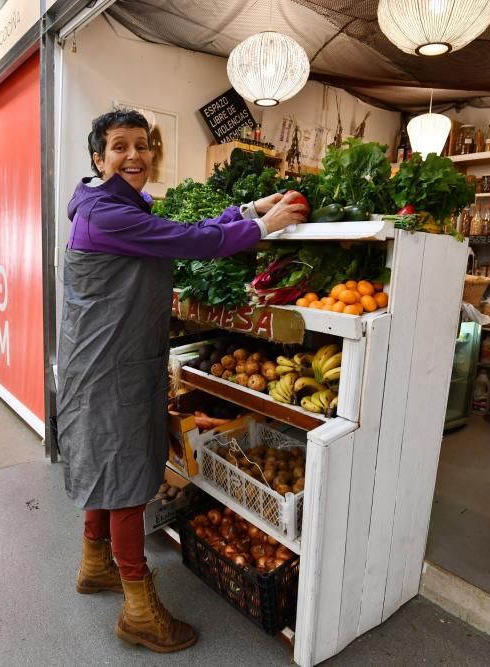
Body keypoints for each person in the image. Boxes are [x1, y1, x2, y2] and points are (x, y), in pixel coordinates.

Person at [57, 109, 307, 654]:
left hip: (111, 361)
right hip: (108, 371)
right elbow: (189, 242)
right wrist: (263, 227)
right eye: (118, 147)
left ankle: (95, 566)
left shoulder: (122, 206)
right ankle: (140, 613)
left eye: (142, 145)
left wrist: (245, 210)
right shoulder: (106, 214)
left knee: (106, 467)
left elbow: (174, 232)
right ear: (98, 159)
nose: (133, 156)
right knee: (123, 480)